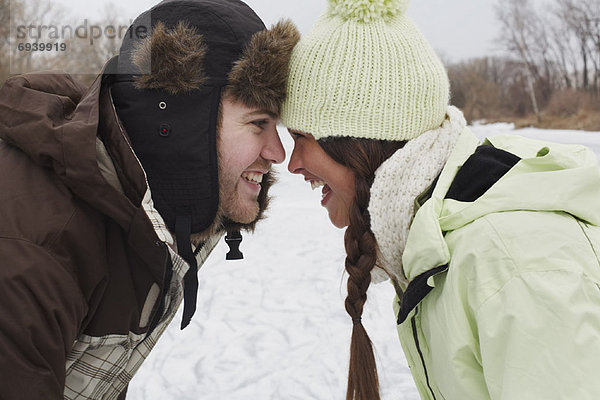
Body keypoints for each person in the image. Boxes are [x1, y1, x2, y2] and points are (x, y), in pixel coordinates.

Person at [280, 0, 600, 399]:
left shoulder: (512, 265)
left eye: (300, 139)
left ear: (356, 142)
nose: (292, 163)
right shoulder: (434, 239)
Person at [0, 0, 299, 398]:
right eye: (260, 123)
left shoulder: (138, 208)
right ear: (179, 123)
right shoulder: (36, 252)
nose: (278, 152)